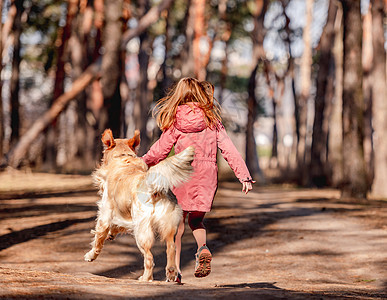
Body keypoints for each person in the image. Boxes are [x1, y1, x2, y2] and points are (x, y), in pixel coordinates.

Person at [141, 77, 255, 283]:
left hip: (181, 175)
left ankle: (173, 271)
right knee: (196, 219)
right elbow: (229, 149)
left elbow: (160, 150)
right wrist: (244, 175)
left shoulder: (176, 121)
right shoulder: (212, 120)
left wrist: (142, 163)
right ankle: (202, 248)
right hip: (206, 177)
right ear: (201, 94)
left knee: (177, 223)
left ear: (179, 95)